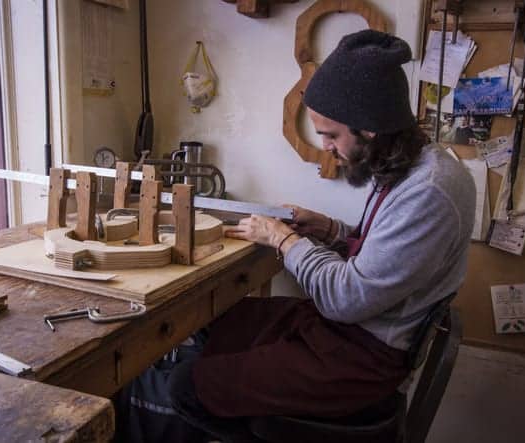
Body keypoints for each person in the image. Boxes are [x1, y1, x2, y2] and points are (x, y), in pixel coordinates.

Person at [164, 30, 476, 442]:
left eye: (331, 135)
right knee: (220, 323)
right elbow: (379, 254)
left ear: (370, 129)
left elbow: (348, 297)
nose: (326, 147)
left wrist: (284, 240)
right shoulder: (409, 167)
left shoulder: (429, 191)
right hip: (350, 328)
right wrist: (328, 229)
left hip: (362, 354)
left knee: (186, 385)